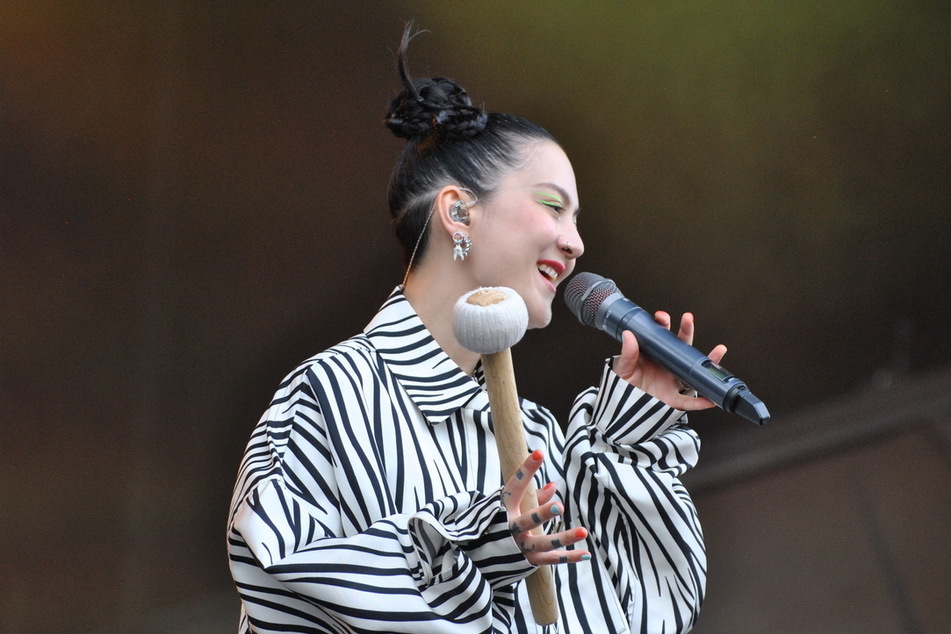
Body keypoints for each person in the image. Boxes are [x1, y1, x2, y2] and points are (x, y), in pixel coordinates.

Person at [227, 26, 726, 634]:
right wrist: (481, 544)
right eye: (552, 206)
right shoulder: (331, 395)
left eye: (577, 218)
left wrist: (622, 448)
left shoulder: (541, 434)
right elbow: (282, 581)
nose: (576, 242)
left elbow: (637, 614)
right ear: (459, 210)